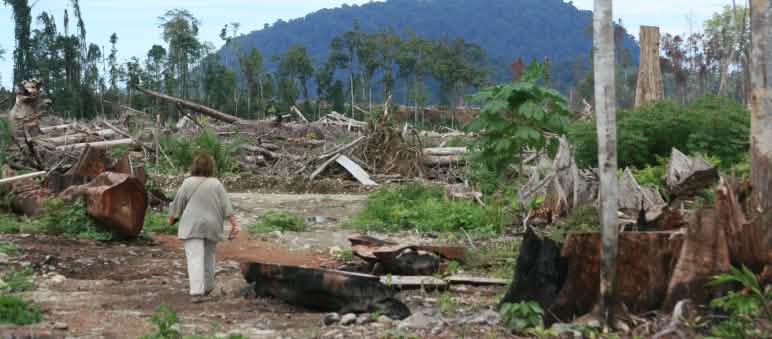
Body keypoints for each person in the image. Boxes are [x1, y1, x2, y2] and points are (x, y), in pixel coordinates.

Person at [168, 153, 239, 303]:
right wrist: (234, 225)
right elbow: (227, 206)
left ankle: (196, 292)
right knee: (209, 256)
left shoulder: (187, 183)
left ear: (194, 166)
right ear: (211, 167)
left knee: (195, 257)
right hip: (212, 225)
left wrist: (172, 218)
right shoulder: (216, 184)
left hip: (192, 225)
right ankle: (208, 287)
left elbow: (178, 204)